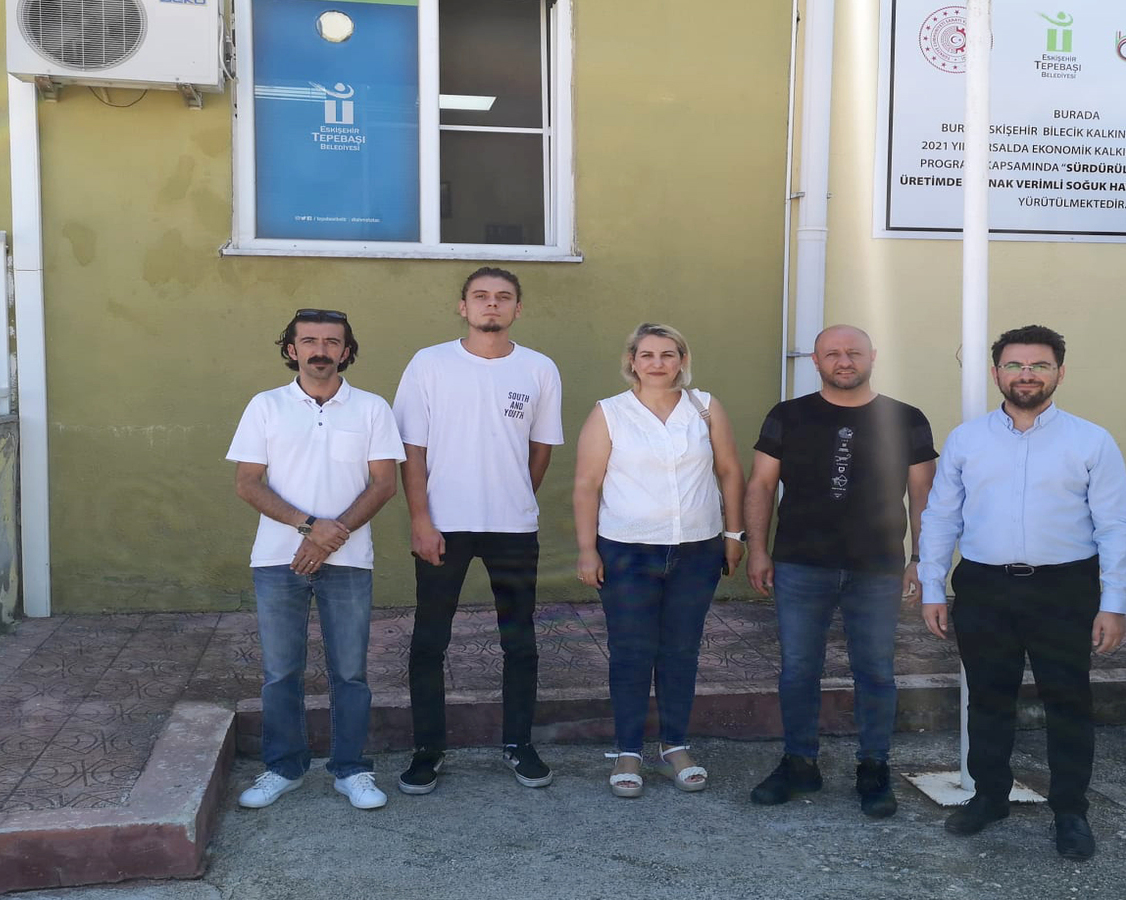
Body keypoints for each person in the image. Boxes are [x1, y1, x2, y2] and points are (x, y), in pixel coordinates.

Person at [917, 324, 1126, 861]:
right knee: (988, 698)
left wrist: (1115, 603)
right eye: (1015, 365)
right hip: (985, 586)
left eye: (1039, 365)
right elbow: (941, 517)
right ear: (997, 373)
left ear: (1060, 373)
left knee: (1068, 700)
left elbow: (1116, 526)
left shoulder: (1091, 440)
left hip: (1064, 588)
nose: (1026, 375)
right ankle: (989, 796)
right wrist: (931, 587)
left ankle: (1070, 811)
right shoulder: (967, 439)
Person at [745, 324, 937, 818]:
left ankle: (874, 765)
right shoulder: (787, 415)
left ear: (873, 356)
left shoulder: (907, 418)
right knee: (798, 670)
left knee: (875, 671)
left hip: (878, 568)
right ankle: (799, 763)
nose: (844, 361)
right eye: (833, 353)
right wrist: (758, 551)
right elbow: (761, 485)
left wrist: (922, 559)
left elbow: (924, 495)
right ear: (816, 361)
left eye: (854, 352)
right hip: (799, 564)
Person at [392, 267, 564, 794]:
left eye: (503, 297)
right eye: (481, 296)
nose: (492, 304)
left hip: (513, 527)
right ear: (463, 307)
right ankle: (428, 750)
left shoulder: (539, 368)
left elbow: (541, 450)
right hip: (443, 525)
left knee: (520, 641)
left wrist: (515, 495)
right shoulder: (429, 363)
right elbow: (412, 450)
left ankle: (519, 744)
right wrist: (420, 519)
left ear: (517, 309)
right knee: (430, 641)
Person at [227, 309, 404, 811]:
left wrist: (328, 538)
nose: (320, 350)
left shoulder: (371, 408)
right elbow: (247, 483)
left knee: (350, 673)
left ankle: (352, 770)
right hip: (276, 560)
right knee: (281, 672)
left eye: (331, 341)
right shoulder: (265, 406)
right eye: (309, 341)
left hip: (349, 561)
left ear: (347, 351)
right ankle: (284, 767)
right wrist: (309, 526)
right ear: (292, 349)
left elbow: (384, 484)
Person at [571, 323, 747, 797]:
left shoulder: (704, 408)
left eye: (668, 354)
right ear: (632, 361)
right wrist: (587, 549)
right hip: (627, 551)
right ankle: (628, 750)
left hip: (697, 549)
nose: (657, 363)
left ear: (682, 361)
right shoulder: (610, 413)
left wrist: (734, 533)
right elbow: (587, 484)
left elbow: (730, 470)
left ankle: (675, 747)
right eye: (646, 355)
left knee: (681, 650)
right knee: (631, 651)